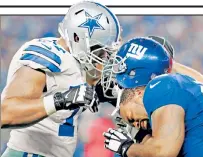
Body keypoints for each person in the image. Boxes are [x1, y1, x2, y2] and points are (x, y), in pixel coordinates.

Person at [1, 1, 121, 157]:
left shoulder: (78, 62)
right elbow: (5, 113)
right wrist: (61, 99)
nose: (105, 59)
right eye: (100, 52)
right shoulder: (45, 56)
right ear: (77, 38)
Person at [102, 37, 203, 157]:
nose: (136, 125)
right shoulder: (188, 86)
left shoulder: (159, 86)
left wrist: (126, 148)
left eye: (132, 118)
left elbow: (163, 153)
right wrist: (139, 137)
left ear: (139, 93)